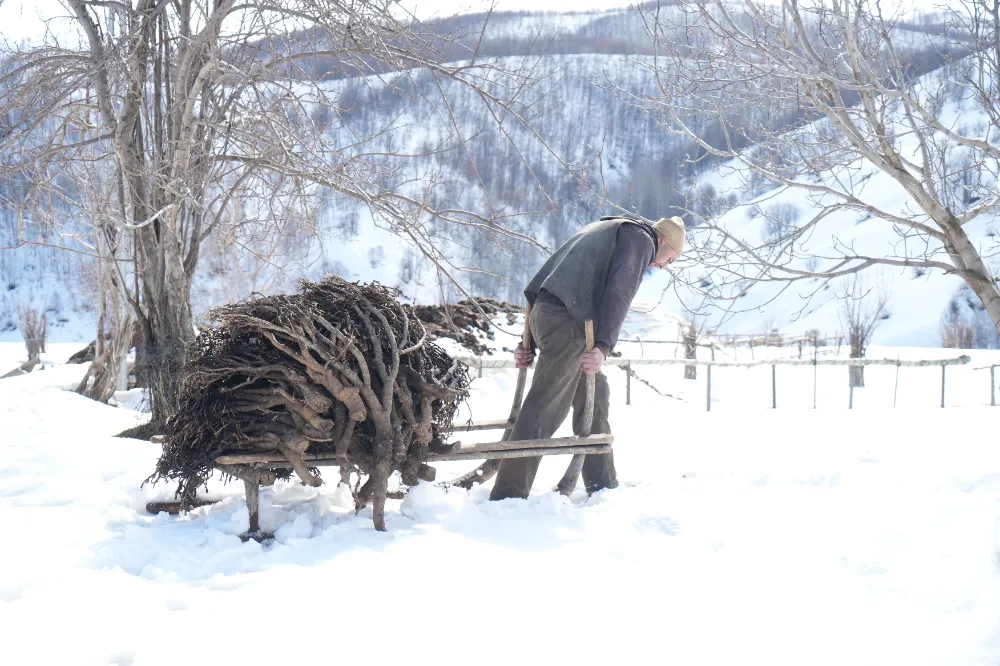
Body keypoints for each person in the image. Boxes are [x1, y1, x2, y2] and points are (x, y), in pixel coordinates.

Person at [489, 214, 686, 501]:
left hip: (550, 313)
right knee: (546, 405)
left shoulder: (610, 227)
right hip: (567, 321)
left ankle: (602, 483)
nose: (664, 265)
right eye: (670, 259)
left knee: (596, 392)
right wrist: (604, 346)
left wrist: (528, 339)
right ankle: (508, 496)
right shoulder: (642, 240)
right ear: (664, 241)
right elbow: (619, 292)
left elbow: (548, 275)